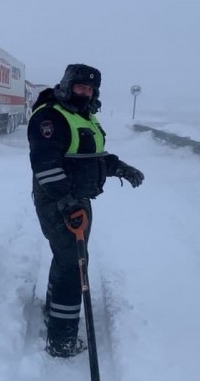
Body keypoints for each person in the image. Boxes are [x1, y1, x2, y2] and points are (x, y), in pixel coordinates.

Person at [27, 64, 144, 358]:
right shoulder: (50, 117)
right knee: (73, 265)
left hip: (78, 200)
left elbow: (92, 157)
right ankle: (62, 340)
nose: (86, 92)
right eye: (81, 87)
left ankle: (53, 310)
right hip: (57, 200)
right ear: (67, 85)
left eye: (91, 89)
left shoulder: (84, 117)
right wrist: (66, 202)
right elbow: (46, 166)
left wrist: (119, 167)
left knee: (67, 259)